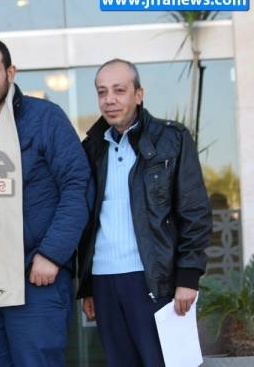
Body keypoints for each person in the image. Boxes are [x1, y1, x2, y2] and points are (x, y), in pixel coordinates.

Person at [0, 36, 91, 366]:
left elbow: (77, 186)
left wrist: (52, 254)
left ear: (10, 72)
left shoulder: (45, 118)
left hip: (36, 278)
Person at [77, 59, 212, 367]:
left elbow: (195, 212)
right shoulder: (92, 148)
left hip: (154, 280)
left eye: (119, 90)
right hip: (104, 281)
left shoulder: (173, 139)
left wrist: (188, 277)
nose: (109, 99)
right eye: (102, 92)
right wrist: (88, 287)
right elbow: (88, 222)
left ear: (138, 94)